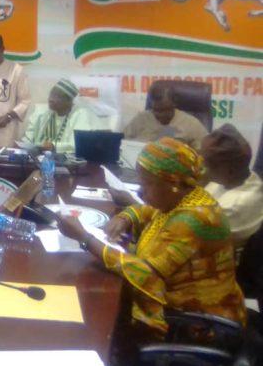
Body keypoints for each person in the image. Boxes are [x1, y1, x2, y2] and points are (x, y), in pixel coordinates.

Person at [57, 137, 246, 338]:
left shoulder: (193, 220)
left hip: (197, 323)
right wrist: (126, 217)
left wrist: (85, 238)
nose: (140, 191)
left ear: (173, 184)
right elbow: (145, 210)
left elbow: (146, 274)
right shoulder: (184, 197)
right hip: (183, 309)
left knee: (91, 318)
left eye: (147, 184)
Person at [201, 124, 263, 249]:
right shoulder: (248, 177)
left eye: (207, 165)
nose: (202, 168)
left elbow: (197, 240)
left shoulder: (231, 207)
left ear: (228, 170)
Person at [22, 79, 96, 154]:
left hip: (65, 158)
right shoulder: (42, 112)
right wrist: (21, 146)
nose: (51, 99)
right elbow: (28, 137)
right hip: (36, 156)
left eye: (57, 96)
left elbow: (78, 144)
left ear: (69, 101)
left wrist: (54, 146)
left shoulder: (80, 115)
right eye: (51, 94)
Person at [123, 84, 208, 149]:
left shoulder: (191, 123)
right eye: (156, 110)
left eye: (166, 110)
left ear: (174, 104)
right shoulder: (141, 119)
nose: (160, 115)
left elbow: (204, 152)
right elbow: (123, 142)